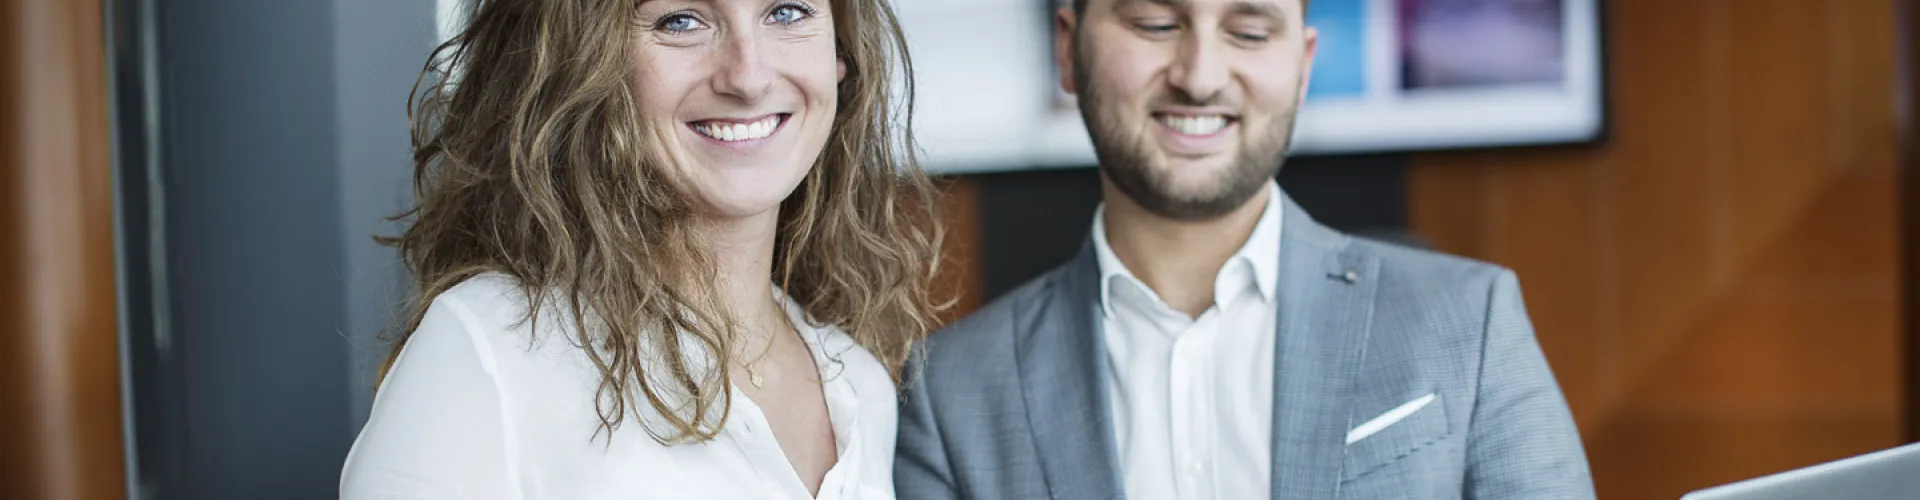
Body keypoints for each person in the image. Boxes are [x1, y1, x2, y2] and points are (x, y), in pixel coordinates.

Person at [893, 0, 1595, 498]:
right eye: (1156, 24)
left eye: (1250, 31)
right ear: (1067, 50)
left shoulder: (1468, 323)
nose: (1200, 75)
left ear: (1303, 64)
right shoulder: (949, 394)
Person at [340, 0, 941, 498]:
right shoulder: (487, 349)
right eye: (680, 20)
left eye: (786, 11)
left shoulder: (858, 388)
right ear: (585, 61)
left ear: (839, 53)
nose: (748, 74)